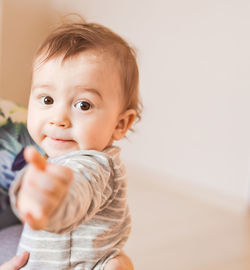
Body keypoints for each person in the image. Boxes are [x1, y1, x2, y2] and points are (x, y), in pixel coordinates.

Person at [7, 17, 141, 270]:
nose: (59, 119)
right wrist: (27, 194)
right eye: (47, 100)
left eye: (83, 105)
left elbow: (78, 192)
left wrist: (51, 201)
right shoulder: (50, 156)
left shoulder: (96, 164)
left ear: (120, 124)